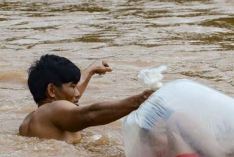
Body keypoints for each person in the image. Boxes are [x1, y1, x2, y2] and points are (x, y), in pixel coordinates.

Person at [19, 54, 153, 143]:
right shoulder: (53, 110)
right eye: (72, 86)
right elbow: (90, 115)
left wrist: (91, 70)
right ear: (52, 90)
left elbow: (69, 99)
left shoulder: (35, 116)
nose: (77, 93)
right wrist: (141, 99)